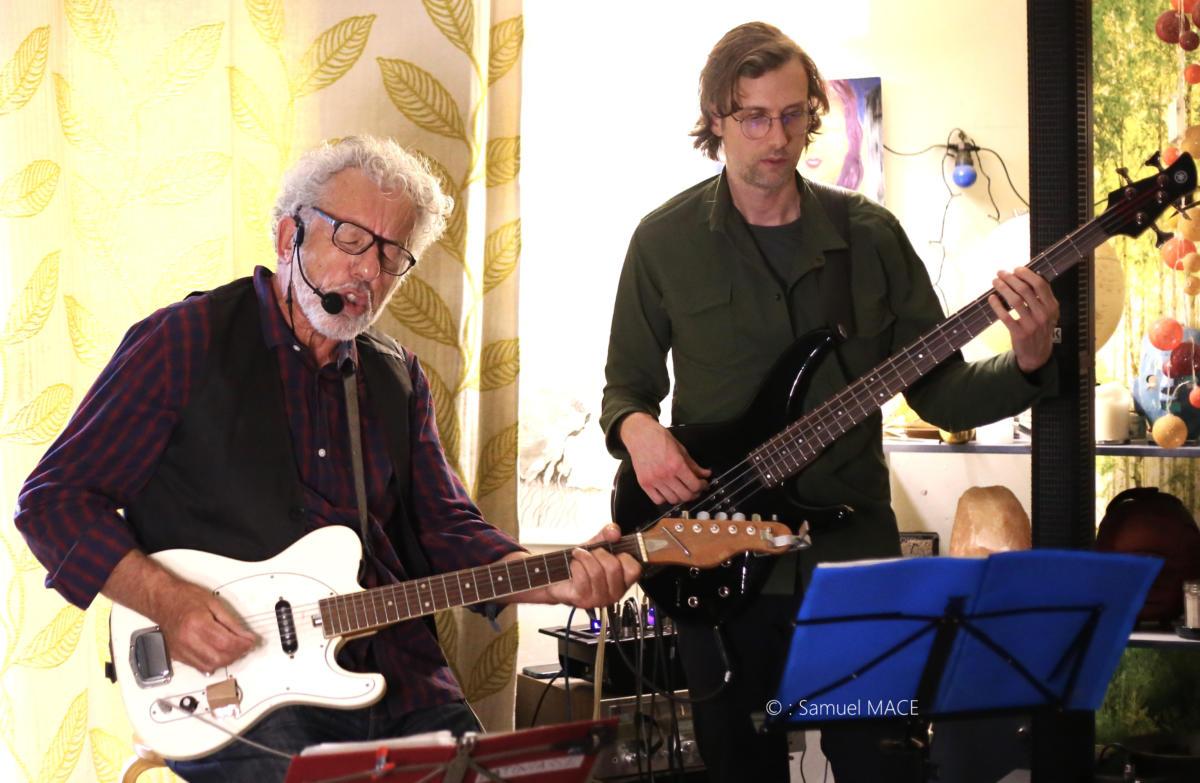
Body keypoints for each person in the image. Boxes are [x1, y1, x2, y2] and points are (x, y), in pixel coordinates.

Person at [15, 136, 640, 782]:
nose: (370, 271)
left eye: (392, 254)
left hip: (402, 675)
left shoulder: (395, 376)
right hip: (238, 689)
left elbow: (447, 529)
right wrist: (170, 603)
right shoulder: (187, 339)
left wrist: (553, 580)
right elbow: (53, 501)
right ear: (290, 236)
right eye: (352, 239)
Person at [599, 22, 1059, 783]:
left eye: (792, 115)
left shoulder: (870, 237)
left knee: (880, 768)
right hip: (715, 554)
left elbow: (941, 394)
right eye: (754, 117)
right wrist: (639, 429)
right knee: (741, 768)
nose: (777, 138)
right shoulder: (663, 241)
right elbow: (626, 388)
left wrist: (1029, 361)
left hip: (852, 562)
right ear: (716, 118)